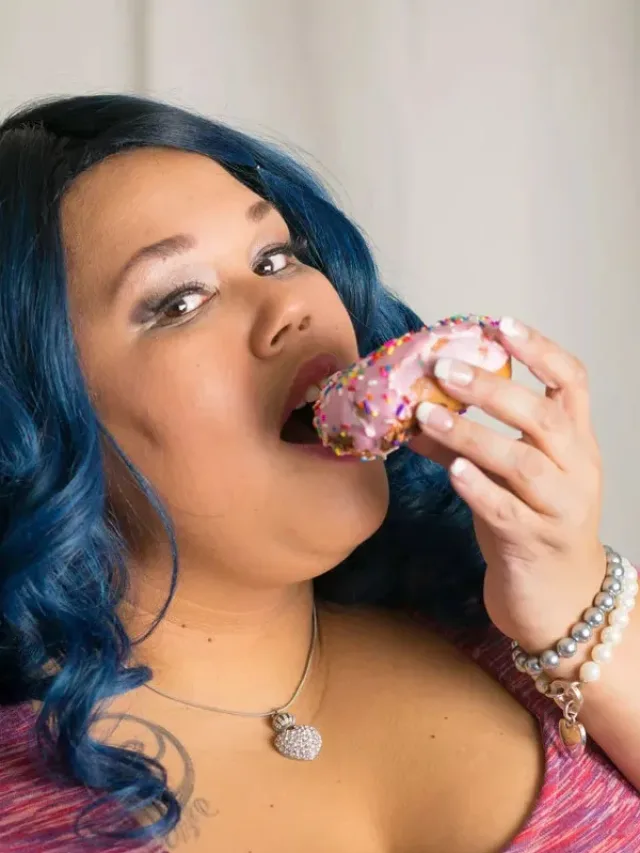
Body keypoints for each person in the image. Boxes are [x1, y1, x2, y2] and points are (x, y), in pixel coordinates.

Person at [0, 94, 637, 853]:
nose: (288, 303)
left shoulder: (509, 634)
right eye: (179, 300)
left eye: (276, 256)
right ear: (35, 425)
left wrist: (579, 616)